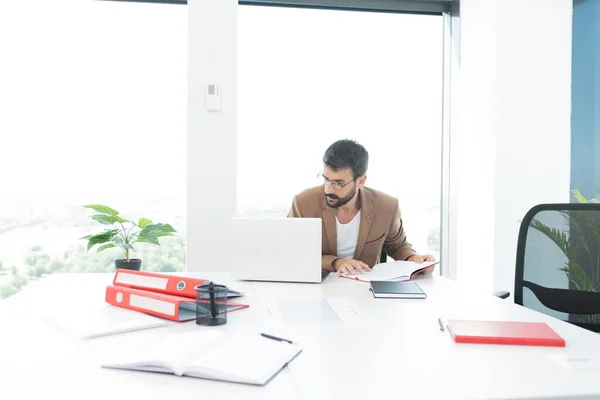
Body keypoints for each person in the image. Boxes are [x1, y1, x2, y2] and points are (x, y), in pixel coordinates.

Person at [288, 139, 435, 276]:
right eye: (326, 179)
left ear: (361, 181)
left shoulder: (386, 207)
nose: (329, 189)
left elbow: (397, 246)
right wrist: (337, 263)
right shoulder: (303, 203)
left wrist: (414, 260)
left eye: (338, 183)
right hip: (317, 284)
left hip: (364, 290)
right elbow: (293, 251)